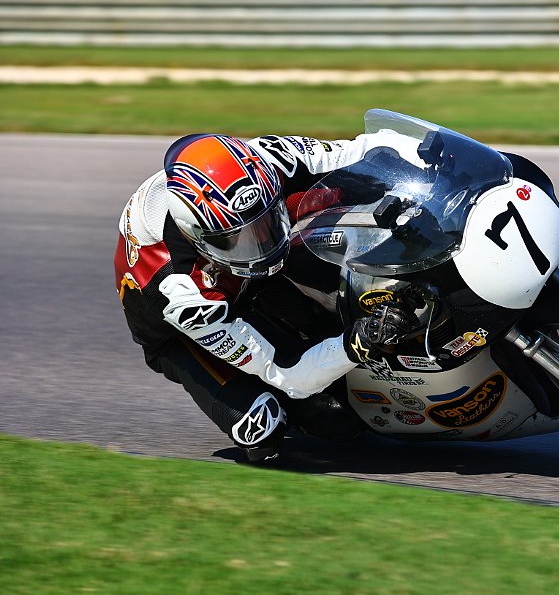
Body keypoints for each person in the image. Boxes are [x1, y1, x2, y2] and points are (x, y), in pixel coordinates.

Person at [114, 131, 421, 462]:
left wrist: (435, 158)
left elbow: (366, 147)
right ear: (199, 239)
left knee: (352, 194)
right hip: (180, 332)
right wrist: (362, 340)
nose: (263, 241)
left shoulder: (265, 161)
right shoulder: (186, 293)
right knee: (309, 419)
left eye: (266, 222)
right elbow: (291, 372)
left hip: (237, 266)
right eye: (242, 238)